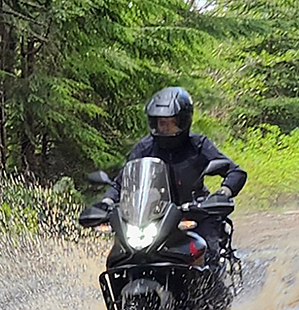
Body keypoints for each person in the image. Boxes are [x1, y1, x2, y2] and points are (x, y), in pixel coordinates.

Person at [87, 86, 247, 260]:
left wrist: (223, 193)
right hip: (153, 220)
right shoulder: (145, 148)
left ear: (183, 121)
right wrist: (107, 201)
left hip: (195, 214)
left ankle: (215, 284)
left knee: (208, 255)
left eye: (170, 122)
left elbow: (235, 172)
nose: (164, 128)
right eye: (161, 122)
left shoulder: (198, 145)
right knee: (123, 257)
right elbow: (122, 182)